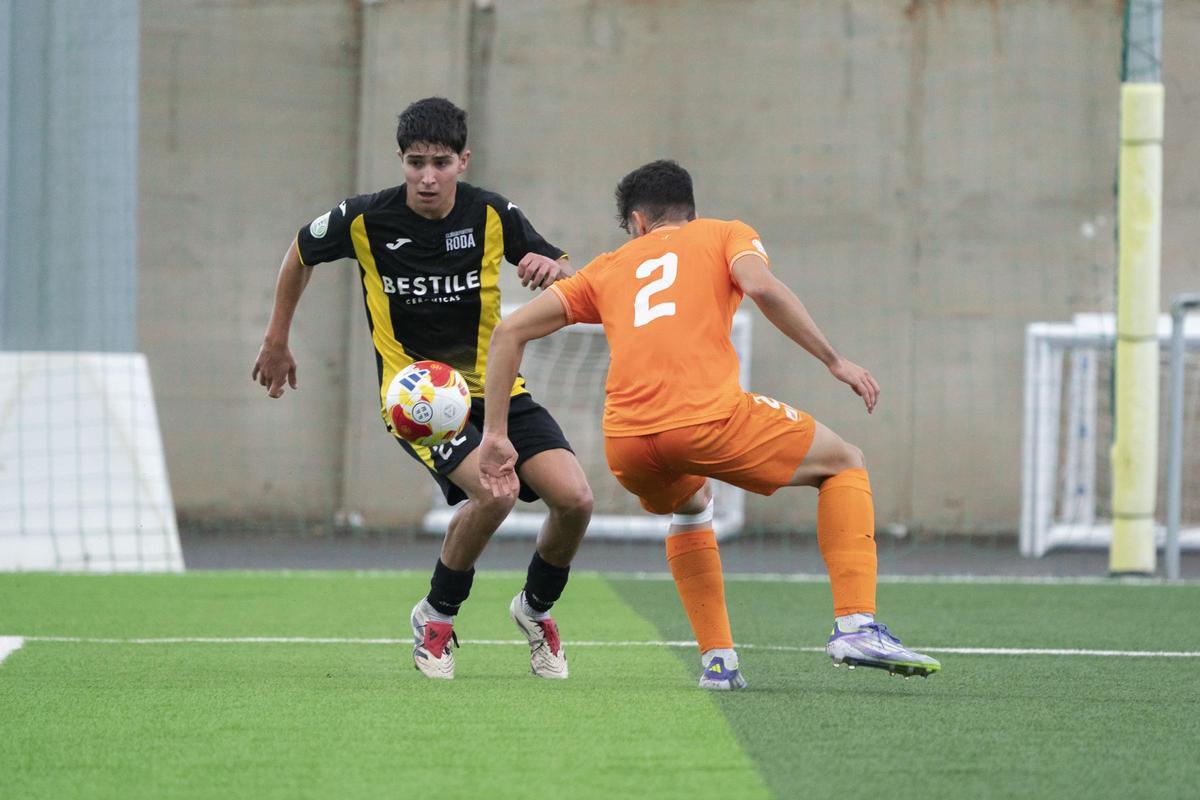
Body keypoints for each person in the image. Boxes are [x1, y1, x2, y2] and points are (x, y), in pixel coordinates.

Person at [479, 159, 939, 690]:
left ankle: (719, 662)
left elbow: (510, 332)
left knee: (692, 504)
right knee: (844, 463)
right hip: (706, 421)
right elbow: (761, 288)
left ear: (637, 222)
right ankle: (856, 624)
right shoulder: (725, 234)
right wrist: (835, 361)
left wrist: (495, 435)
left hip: (627, 444)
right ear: (688, 210)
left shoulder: (608, 266)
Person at [252, 97, 592, 681]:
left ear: (464, 160)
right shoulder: (365, 219)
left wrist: (551, 263)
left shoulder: (492, 215)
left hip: (499, 389)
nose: (427, 177)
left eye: (440, 162)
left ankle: (534, 611)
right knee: (496, 495)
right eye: (415, 163)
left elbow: (557, 260)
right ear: (401, 161)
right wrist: (277, 338)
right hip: (420, 398)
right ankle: (436, 618)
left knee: (576, 500)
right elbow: (299, 252)